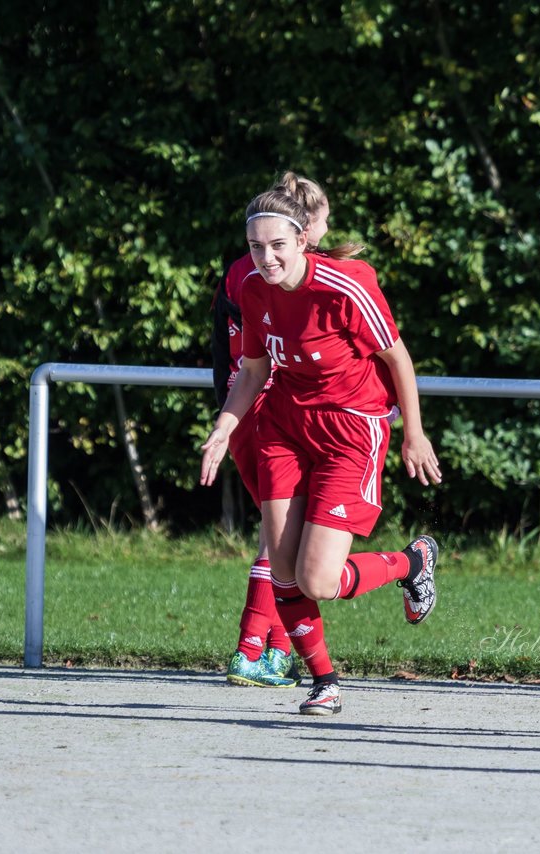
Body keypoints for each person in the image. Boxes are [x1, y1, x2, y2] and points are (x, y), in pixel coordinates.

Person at [200, 189, 441, 715]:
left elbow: (398, 359)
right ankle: (323, 682)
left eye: (278, 245)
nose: (267, 258)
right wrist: (223, 429)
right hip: (284, 428)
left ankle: (410, 562)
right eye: (256, 246)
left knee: (319, 579)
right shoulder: (251, 287)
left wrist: (414, 433)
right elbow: (255, 370)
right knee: (282, 568)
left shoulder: (346, 286)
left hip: (350, 431)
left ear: (303, 238)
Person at [210, 171, 333, 688]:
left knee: (280, 536)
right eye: (325, 217)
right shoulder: (283, 275)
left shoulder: (243, 269)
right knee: (282, 539)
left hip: (241, 410)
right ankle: (262, 649)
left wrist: (224, 419)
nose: (328, 227)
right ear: (306, 224)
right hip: (274, 413)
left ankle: (262, 649)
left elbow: (224, 354)